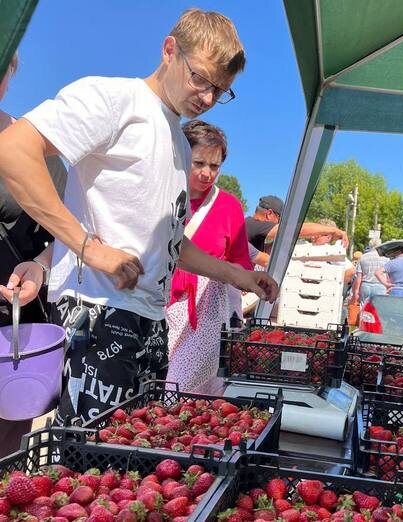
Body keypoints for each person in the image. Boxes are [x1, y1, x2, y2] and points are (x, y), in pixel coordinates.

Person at [0, 8, 277, 425]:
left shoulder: (180, 143)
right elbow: (14, 150)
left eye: (219, 90)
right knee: (88, 466)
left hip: (149, 319)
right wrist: (90, 249)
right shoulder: (114, 100)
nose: (206, 97)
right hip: (98, 312)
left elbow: (170, 241)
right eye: (199, 77)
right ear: (169, 50)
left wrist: (237, 275)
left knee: (129, 467)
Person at [0, 53, 68, 456]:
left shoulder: (37, 148)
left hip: (14, 326)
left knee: (9, 442)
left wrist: (41, 268)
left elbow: (69, 229)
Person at [166, 120, 252, 390]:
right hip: (159, 305)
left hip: (206, 314)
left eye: (214, 166)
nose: (207, 173)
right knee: (155, 383)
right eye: (199, 163)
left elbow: (241, 261)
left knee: (178, 388)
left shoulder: (228, 206)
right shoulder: (162, 195)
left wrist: (248, 280)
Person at [245, 195, 349, 253]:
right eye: (279, 219)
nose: (279, 223)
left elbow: (265, 250)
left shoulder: (252, 227)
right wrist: (333, 230)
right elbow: (296, 229)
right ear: (269, 214)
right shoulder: (255, 225)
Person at [351, 238, 388, 306]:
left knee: (363, 308)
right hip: (380, 285)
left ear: (370, 245)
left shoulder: (363, 257)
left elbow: (359, 277)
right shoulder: (385, 258)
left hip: (366, 285)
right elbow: (388, 275)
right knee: (378, 309)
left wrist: (356, 292)